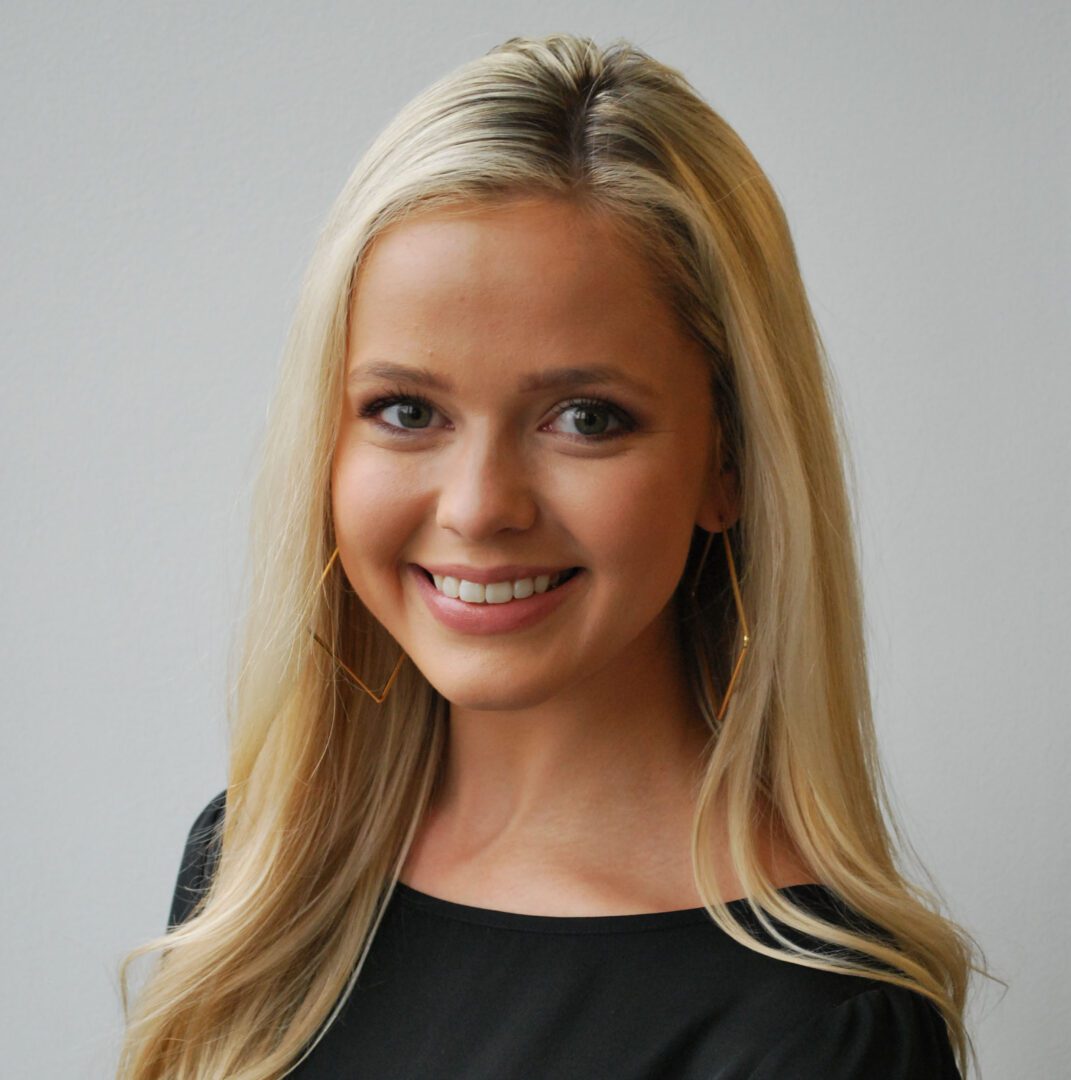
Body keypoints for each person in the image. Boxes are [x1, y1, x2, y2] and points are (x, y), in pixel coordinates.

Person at [118, 34, 980, 1079]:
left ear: (732, 462)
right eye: (405, 409)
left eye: (584, 416)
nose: (480, 508)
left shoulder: (823, 1029)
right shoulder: (254, 875)